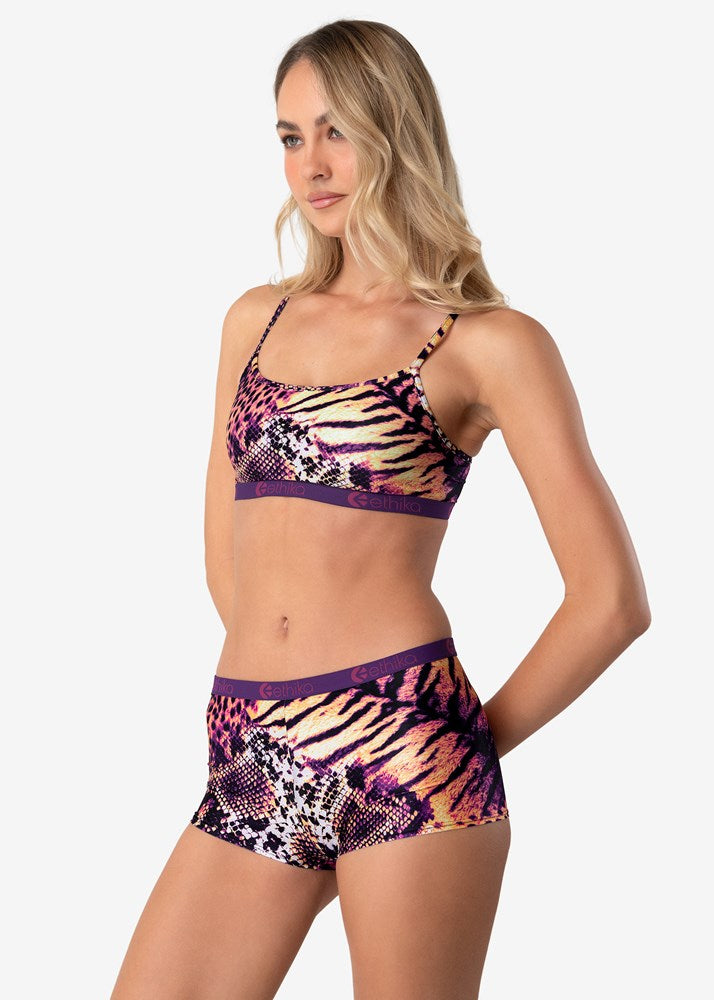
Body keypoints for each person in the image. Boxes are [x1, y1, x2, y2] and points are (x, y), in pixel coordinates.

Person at [110, 18, 651, 1000]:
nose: (311, 165)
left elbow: (611, 601)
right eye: (290, 137)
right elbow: (228, 562)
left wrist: (455, 742)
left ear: (396, 132)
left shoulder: (487, 341)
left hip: (405, 745)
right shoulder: (255, 320)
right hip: (253, 747)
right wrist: (284, 703)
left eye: (337, 132)